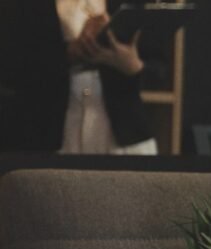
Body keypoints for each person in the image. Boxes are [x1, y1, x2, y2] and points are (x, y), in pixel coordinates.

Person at [0, 0, 158, 154]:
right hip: (46, 133)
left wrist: (133, 65)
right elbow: (10, 66)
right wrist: (68, 53)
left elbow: (158, 66)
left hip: (123, 135)